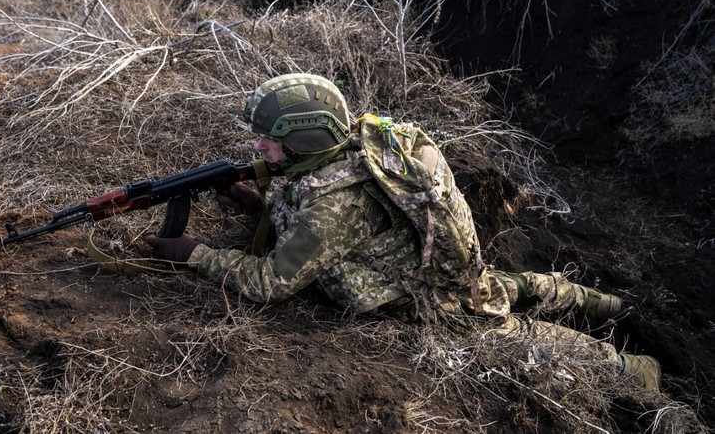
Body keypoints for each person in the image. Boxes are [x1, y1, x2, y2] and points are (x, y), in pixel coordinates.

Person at [144, 73, 661, 390]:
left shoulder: (334, 203)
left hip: (428, 299)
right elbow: (303, 212)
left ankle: (639, 372)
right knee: (517, 286)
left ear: (303, 138)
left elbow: (270, 283)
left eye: (267, 139)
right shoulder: (340, 155)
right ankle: (615, 307)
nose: (258, 147)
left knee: (525, 337)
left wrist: (195, 254)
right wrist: (257, 205)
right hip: (427, 263)